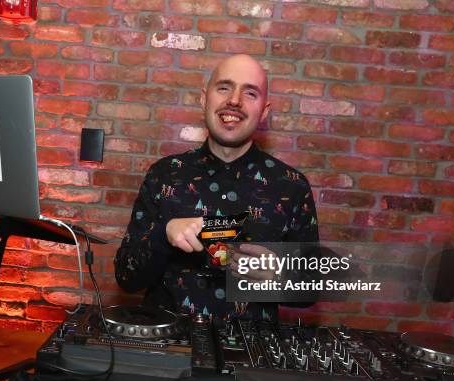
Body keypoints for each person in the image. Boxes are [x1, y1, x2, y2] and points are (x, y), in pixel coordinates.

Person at [114, 54, 319, 320]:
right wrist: (163, 234)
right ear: (204, 99)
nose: (234, 100)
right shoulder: (164, 175)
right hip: (171, 351)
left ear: (264, 112)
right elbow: (126, 278)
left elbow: (311, 290)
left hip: (247, 355)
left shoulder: (291, 187)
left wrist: (280, 276)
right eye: (224, 87)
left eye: (250, 93)